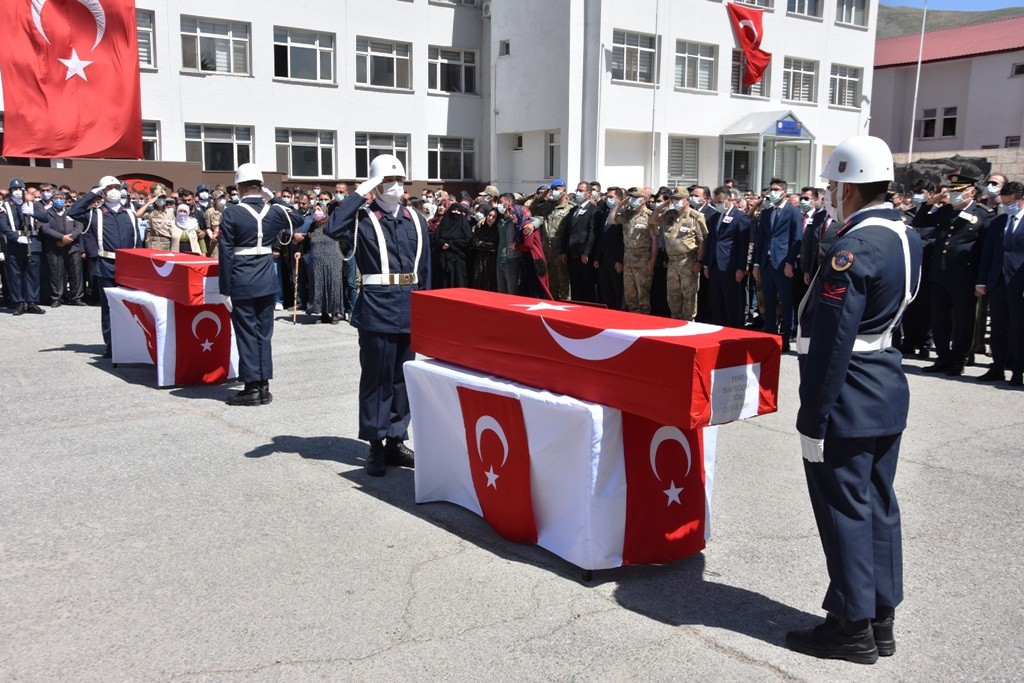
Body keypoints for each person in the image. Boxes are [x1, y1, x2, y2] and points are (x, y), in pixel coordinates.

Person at [787, 135, 923, 665]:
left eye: (832, 184)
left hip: (849, 390)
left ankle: (850, 625)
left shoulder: (855, 246)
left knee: (844, 508)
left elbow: (833, 338)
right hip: (885, 383)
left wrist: (813, 414)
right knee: (878, 506)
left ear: (847, 185)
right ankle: (881, 617)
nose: (828, 192)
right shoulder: (904, 234)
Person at [323, 154, 430, 476]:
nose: (395, 187)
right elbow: (332, 228)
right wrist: (362, 192)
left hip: (410, 305)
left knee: (402, 379)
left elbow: (425, 269)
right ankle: (376, 445)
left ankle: (396, 440)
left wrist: (426, 311)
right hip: (377, 307)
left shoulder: (416, 218)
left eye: (399, 181)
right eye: (388, 181)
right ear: (376, 185)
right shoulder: (362, 219)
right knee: (376, 379)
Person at [217, 163, 304, 406]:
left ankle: (252, 387)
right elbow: (297, 218)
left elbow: (225, 253)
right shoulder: (274, 211)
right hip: (266, 278)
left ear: (239, 186)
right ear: (260, 186)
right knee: (264, 334)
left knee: (246, 333)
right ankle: (264, 384)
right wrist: (274, 199)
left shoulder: (232, 213)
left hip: (241, 279)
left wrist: (224, 289)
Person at [913, 174, 993, 376]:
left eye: (960, 191)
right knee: (939, 319)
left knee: (963, 321)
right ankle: (943, 357)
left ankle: (959, 360)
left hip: (965, 278)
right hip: (940, 274)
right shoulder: (946, 211)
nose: (955, 195)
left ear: (972, 192)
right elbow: (921, 221)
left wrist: (981, 280)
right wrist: (930, 202)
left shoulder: (983, 215)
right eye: (953, 191)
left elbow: (986, 250)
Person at [69, 176, 141, 357]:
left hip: (129, 266)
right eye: (109, 188)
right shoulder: (95, 213)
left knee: (130, 306)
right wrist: (93, 193)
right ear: (103, 192)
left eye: (116, 187)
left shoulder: (130, 214)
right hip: (107, 265)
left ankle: (130, 340)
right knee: (109, 307)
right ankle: (111, 344)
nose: (114, 191)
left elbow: (138, 243)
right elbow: (73, 211)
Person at [976, 181, 1024, 385]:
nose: (1007, 206)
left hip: (1018, 284)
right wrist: (981, 281)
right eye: (1004, 203)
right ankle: (996, 368)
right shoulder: (998, 221)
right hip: (997, 282)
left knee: (1018, 329)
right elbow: (987, 253)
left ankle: (1017, 371)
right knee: (997, 328)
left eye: (1011, 203)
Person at [753, 178, 802, 352]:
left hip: (783, 264)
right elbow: (761, 240)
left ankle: (786, 338)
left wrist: (789, 262)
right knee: (768, 302)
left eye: (775, 189)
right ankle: (770, 337)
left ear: (784, 192)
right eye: (770, 189)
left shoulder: (793, 212)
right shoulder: (767, 213)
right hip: (766, 264)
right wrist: (757, 264)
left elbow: (797, 239)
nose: (771, 192)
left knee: (786, 302)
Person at [0, 179, 51, 315]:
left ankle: (32, 302)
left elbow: (46, 218)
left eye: (19, 188)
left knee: (33, 273)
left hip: (32, 242)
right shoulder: (4, 206)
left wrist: (32, 212)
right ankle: (20, 302)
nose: (17, 191)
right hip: (15, 243)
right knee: (16, 274)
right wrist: (16, 237)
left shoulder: (31, 204)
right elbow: (3, 225)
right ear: (10, 191)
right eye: (14, 188)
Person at [703, 187, 750, 328]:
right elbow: (711, 241)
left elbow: (743, 245)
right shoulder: (715, 217)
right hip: (715, 265)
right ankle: (718, 328)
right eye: (715, 202)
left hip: (731, 265)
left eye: (720, 201)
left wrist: (741, 267)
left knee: (732, 301)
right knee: (716, 300)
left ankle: (734, 328)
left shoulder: (740, 217)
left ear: (729, 200)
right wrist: (706, 264)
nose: (718, 204)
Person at [40, 191, 86, 307]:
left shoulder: (73, 212)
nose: (59, 199)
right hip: (55, 247)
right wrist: (61, 238)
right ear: (52, 199)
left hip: (72, 247)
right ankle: (57, 298)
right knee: (56, 273)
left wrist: (67, 239)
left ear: (65, 200)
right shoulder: (46, 213)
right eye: (56, 197)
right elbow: (45, 229)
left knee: (76, 273)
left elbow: (79, 227)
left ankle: (76, 297)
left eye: (61, 197)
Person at [305, 202, 346, 324]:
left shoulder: (332, 225)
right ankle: (323, 314)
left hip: (333, 259)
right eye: (314, 210)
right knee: (319, 285)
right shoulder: (312, 226)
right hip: (316, 262)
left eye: (319, 209)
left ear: (325, 211)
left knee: (333, 285)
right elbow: (307, 243)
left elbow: (343, 241)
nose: (316, 212)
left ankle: (335, 314)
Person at [431, 202, 472, 288]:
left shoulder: (464, 224)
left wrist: (450, 244)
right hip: (442, 259)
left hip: (457, 261)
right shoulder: (443, 223)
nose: (456, 212)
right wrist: (442, 243)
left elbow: (467, 240)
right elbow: (436, 238)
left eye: (458, 211)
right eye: (454, 210)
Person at [471, 207, 499, 291]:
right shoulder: (480, 227)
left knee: (489, 283)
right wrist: (486, 246)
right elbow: (474, 243)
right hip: (479, 259)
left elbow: (495, 245)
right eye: (489, 215)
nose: (490, 218)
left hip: (491, 261)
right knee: (477, 280)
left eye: (494, 217)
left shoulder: (497, 230)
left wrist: (481, 243)